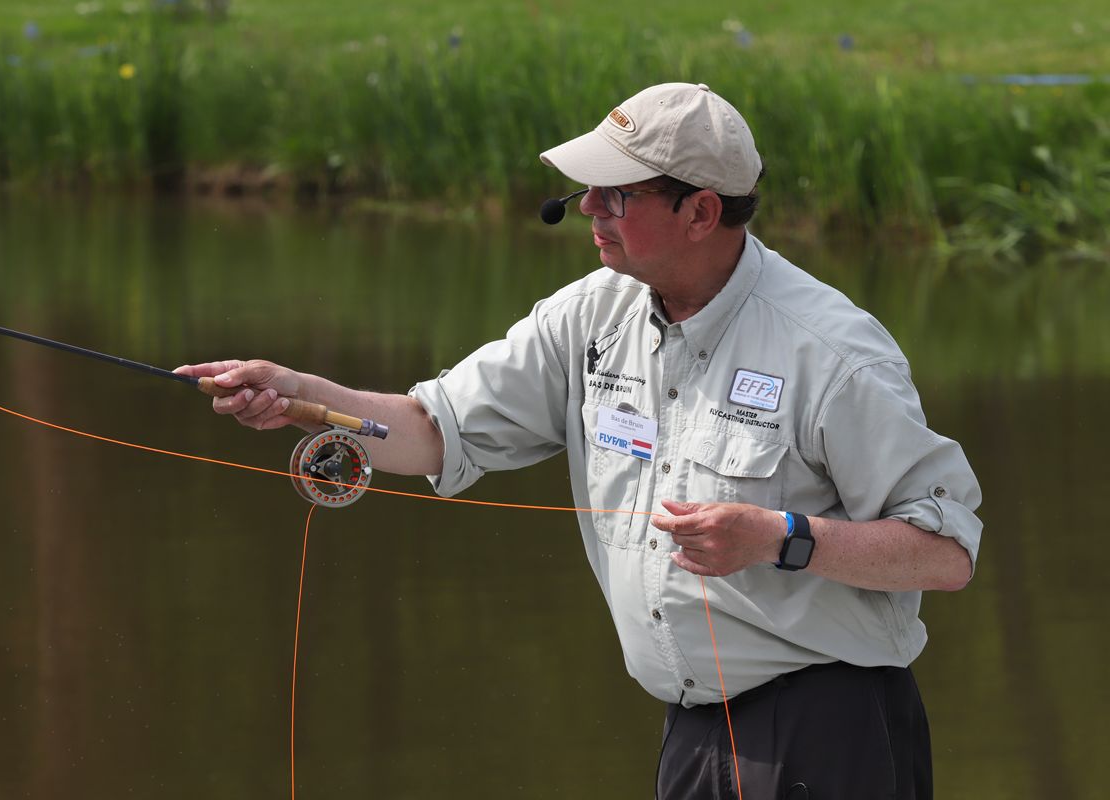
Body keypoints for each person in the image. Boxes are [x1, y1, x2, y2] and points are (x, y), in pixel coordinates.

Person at [177, 82, 982, 799]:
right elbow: (433, 431)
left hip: (833, 735)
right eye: (588, 188)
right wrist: (304, 396)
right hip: (691, 734)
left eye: (617, 194)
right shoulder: (591, 315)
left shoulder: (833, 353)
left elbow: (945, 554)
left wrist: (781, 538)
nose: (589, 207)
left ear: (701, 213)